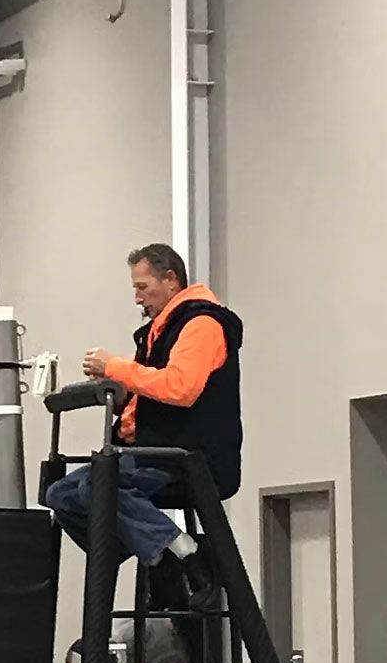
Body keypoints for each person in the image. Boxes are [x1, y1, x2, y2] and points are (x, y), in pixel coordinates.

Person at [44, 243, 243, 609]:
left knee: (97, 485)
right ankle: (162, 554)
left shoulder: (202, 324)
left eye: (142, 287)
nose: (137, 298)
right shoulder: (158, 332)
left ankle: (182, 553)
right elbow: (151, 389)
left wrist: (117, 368)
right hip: (150, 453)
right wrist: (119, 394)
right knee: (60, 495)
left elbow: (181, 388)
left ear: (170, 280)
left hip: (187, 458)